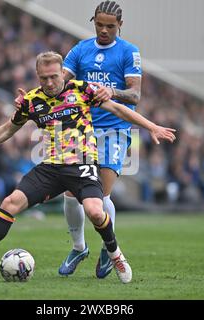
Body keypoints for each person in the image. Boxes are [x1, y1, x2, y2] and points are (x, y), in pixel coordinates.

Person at [0, 51, 176, 284]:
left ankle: (115, 254)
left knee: (96, 211)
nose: (49, 82)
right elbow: (7, 129)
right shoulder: (31, 101)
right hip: (51, 168)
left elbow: (118, 109)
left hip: (83, 166)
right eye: (43, 78)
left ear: (62, 74)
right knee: (9, 203)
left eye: (53, 77)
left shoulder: (81, 89)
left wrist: (151, 126)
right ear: (37, 75)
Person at [60, 0, 144, 278]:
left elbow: (134, 95)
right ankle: (78, 247)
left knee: (100, 194)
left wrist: (111, 92)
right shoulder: (80, 50)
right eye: (99, 24)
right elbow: (59, 82)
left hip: (114, 130)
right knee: (71, 194)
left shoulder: (129, 52)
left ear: (120, 25)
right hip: (81, 130)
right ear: (93, 21)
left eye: (110, 26)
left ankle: (108, 250)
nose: (104, 30)